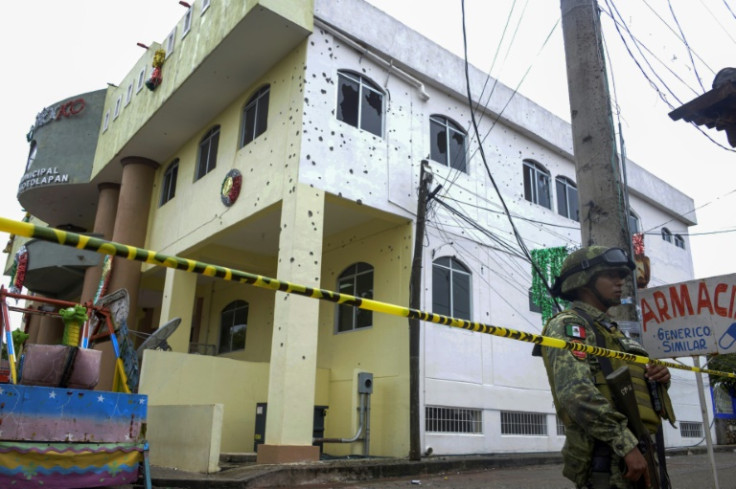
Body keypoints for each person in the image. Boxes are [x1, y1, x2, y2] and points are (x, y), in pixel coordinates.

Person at [541, 246, 676, 489]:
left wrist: (659, 378)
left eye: (622, 276)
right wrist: (625, 444)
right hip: (611, 457)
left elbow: (629, 384)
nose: (621, 282)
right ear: (584, 281)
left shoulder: (611, 331)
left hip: (639, 449)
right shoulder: (571, 324)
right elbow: (576, 393)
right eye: (611, 275)